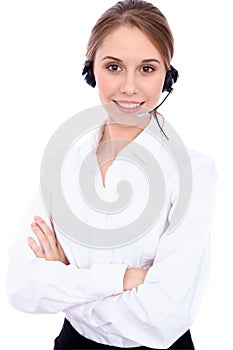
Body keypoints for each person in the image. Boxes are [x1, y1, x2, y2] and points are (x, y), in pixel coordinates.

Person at [6, 0, 217, 349]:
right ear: (92, 71)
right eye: (114, 66)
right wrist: (125, 278)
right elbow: (20, 286)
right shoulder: (64, 164)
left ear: (168, 75)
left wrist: (69, 281)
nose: (129, 87)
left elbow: (162, 317)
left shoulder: (192, 171)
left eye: (147, 69)